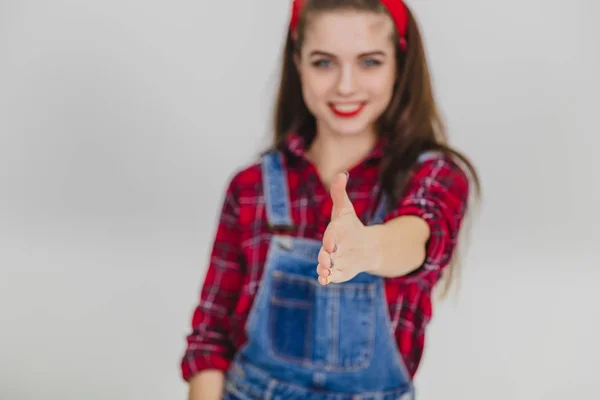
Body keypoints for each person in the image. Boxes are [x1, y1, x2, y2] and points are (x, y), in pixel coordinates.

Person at [181, 0, 481, 399]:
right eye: (324, 62)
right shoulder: (251, 187)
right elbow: (211, 338)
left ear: (399, 63)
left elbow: (419, 234)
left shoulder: (435, 176)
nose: (345, 85)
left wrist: (369, 249)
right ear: (298, 61)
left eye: (369, 62)